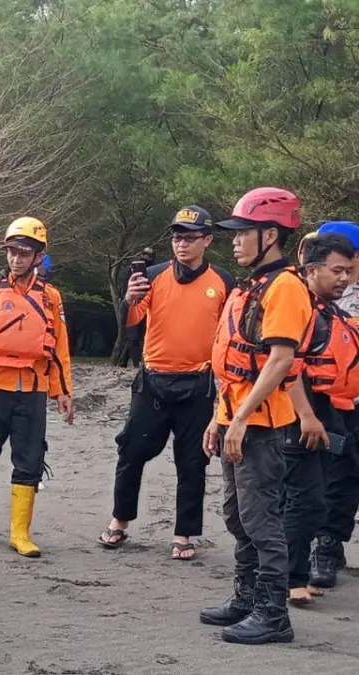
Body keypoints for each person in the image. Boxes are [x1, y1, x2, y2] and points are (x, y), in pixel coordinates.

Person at [199, 187, 312, 646]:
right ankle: (246, 598)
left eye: (244, 233)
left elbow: (281, 360)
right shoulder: (251, 286)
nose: (236, 242)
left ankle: (273, 614)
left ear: (270, 233)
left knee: (261, 518)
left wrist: (242, 418)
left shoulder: (285, 286)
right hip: (235, 416)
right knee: (237, 514)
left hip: (261, 424)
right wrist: (218, 417)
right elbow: (231, 363)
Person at [97, 207, 234, 559]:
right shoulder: (153, 277)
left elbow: (229, 335)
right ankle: (119, 521)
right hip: (153, 381)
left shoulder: (223, 282)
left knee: (193, 461)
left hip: (198, 385)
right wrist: (128, 298)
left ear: (207, 240)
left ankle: (184, 534)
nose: (182, 244)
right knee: (131, 452)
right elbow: (130, 323)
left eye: (190, 237)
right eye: (176, 237)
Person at [0, 217, 75, 559]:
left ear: (38, 256)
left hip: (33, 390)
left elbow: (60, 348)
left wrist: (63, 391)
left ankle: (20, 532)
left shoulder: (51, 298)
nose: (17, 258)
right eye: (12, 251)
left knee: (29, 459)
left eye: (25, 252)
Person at [283, 232, 356, 606]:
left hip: (336, 409)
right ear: (311, 269)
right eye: (337, 270)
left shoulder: (331, 310)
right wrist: (307, 416)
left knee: (324, 494)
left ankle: (295, 570)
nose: (344, 278)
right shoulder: (302, 307)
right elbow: (287, 366)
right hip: (306, 413)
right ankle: (289, 577)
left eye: (348, 270)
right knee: (304, 499)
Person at [309, 221, 359, 589]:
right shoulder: (306, 291)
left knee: (347, 477)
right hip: (317, 400)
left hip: (354, 402)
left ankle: (329, 542)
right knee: (319, 476)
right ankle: (320, 544)